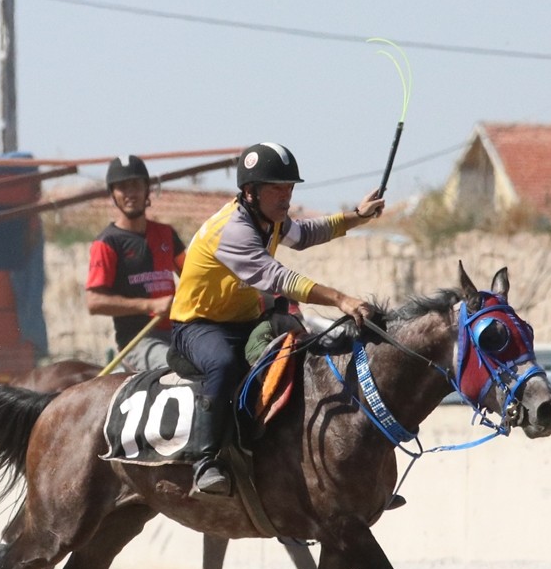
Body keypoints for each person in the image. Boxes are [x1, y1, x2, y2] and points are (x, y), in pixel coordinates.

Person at [169, 142, 385, 496]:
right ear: (250, 192)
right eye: (276, 189)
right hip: (197, 327)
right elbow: (282, 279)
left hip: (244, 322)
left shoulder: (270, 219)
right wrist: (341, 299)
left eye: (289, 188)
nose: (285, 197)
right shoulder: (233, 230)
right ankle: (204, 460)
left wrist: (357, 217)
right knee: (223, 364)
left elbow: (306, 234)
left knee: (304, 345)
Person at [85, 155, 186, 372]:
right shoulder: (107, 242)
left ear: (147, 190)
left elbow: (192, 275)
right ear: (112, 194)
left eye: (136, 185)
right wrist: (150, 305)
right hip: (137, 342)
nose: (130, 193)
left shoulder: (166, 234)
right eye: (122, 187)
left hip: (178, 333)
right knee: (178, 369)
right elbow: (94, 302)